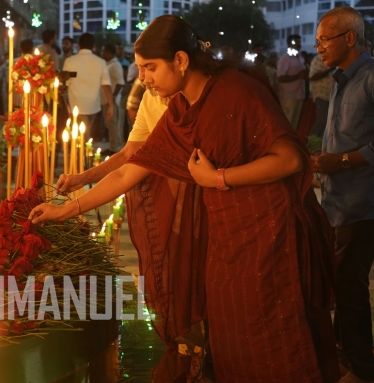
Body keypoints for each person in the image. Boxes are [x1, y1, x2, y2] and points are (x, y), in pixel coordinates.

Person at [32, 15, 339, 383]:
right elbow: (130, 170)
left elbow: (289, 160)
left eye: (150, 68)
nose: (143, 78)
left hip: (269, 234)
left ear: (180, 60)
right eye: (141, 68)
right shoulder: (179, 110)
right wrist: (65, 210)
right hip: (226, 236)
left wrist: (218, 178)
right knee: (232, 334)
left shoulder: (236, 91)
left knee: (271, 333)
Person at [312, 6, 374, 383]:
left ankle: (363, 368)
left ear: (349, 38)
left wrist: (341, 161)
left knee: (350, 287)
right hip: (338, 201)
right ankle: (343, 357)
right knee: (340, 283)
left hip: (364, 202)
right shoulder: (341, 79)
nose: (318, 47)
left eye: (325, 39)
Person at [62, 33, 114, 141]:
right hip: (93, 105)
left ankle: (80, 155)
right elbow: (106, 85)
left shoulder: (69, 61)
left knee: (80, 134)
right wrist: (111, 105)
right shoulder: (101, 62)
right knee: (86, 132)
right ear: (93, 46)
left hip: (75, 102)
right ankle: (83, 154)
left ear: (79, 46)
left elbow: (64, 83)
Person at [277, 34, 308, 129]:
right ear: (288, 43)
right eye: (295, 42)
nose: (298, 44)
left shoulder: (300, 58)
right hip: (288, 96)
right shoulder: (285, 59)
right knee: (287, 122)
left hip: (299, 94)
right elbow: (280, 78)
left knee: (295, 124)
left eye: (299, 42)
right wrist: (297, 76)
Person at [100, 44, 124, 154]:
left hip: (111, 99)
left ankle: (114, 148)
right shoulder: (108, 64)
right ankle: (112, 146)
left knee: (112, 123)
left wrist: (113, 97)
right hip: (107, 98)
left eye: (104, 51)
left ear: (109, 53)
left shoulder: (115, 65)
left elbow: (120, 82)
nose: (102, 53)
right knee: (109, 123)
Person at [308, 53, 334, 138]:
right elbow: (312, 76)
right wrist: (329, 70)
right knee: (322, 121)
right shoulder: (318, 59)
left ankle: (320, 144)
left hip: (332, 96)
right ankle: (311, 142)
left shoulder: (336, 58)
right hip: (321, 96)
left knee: (329, 122)